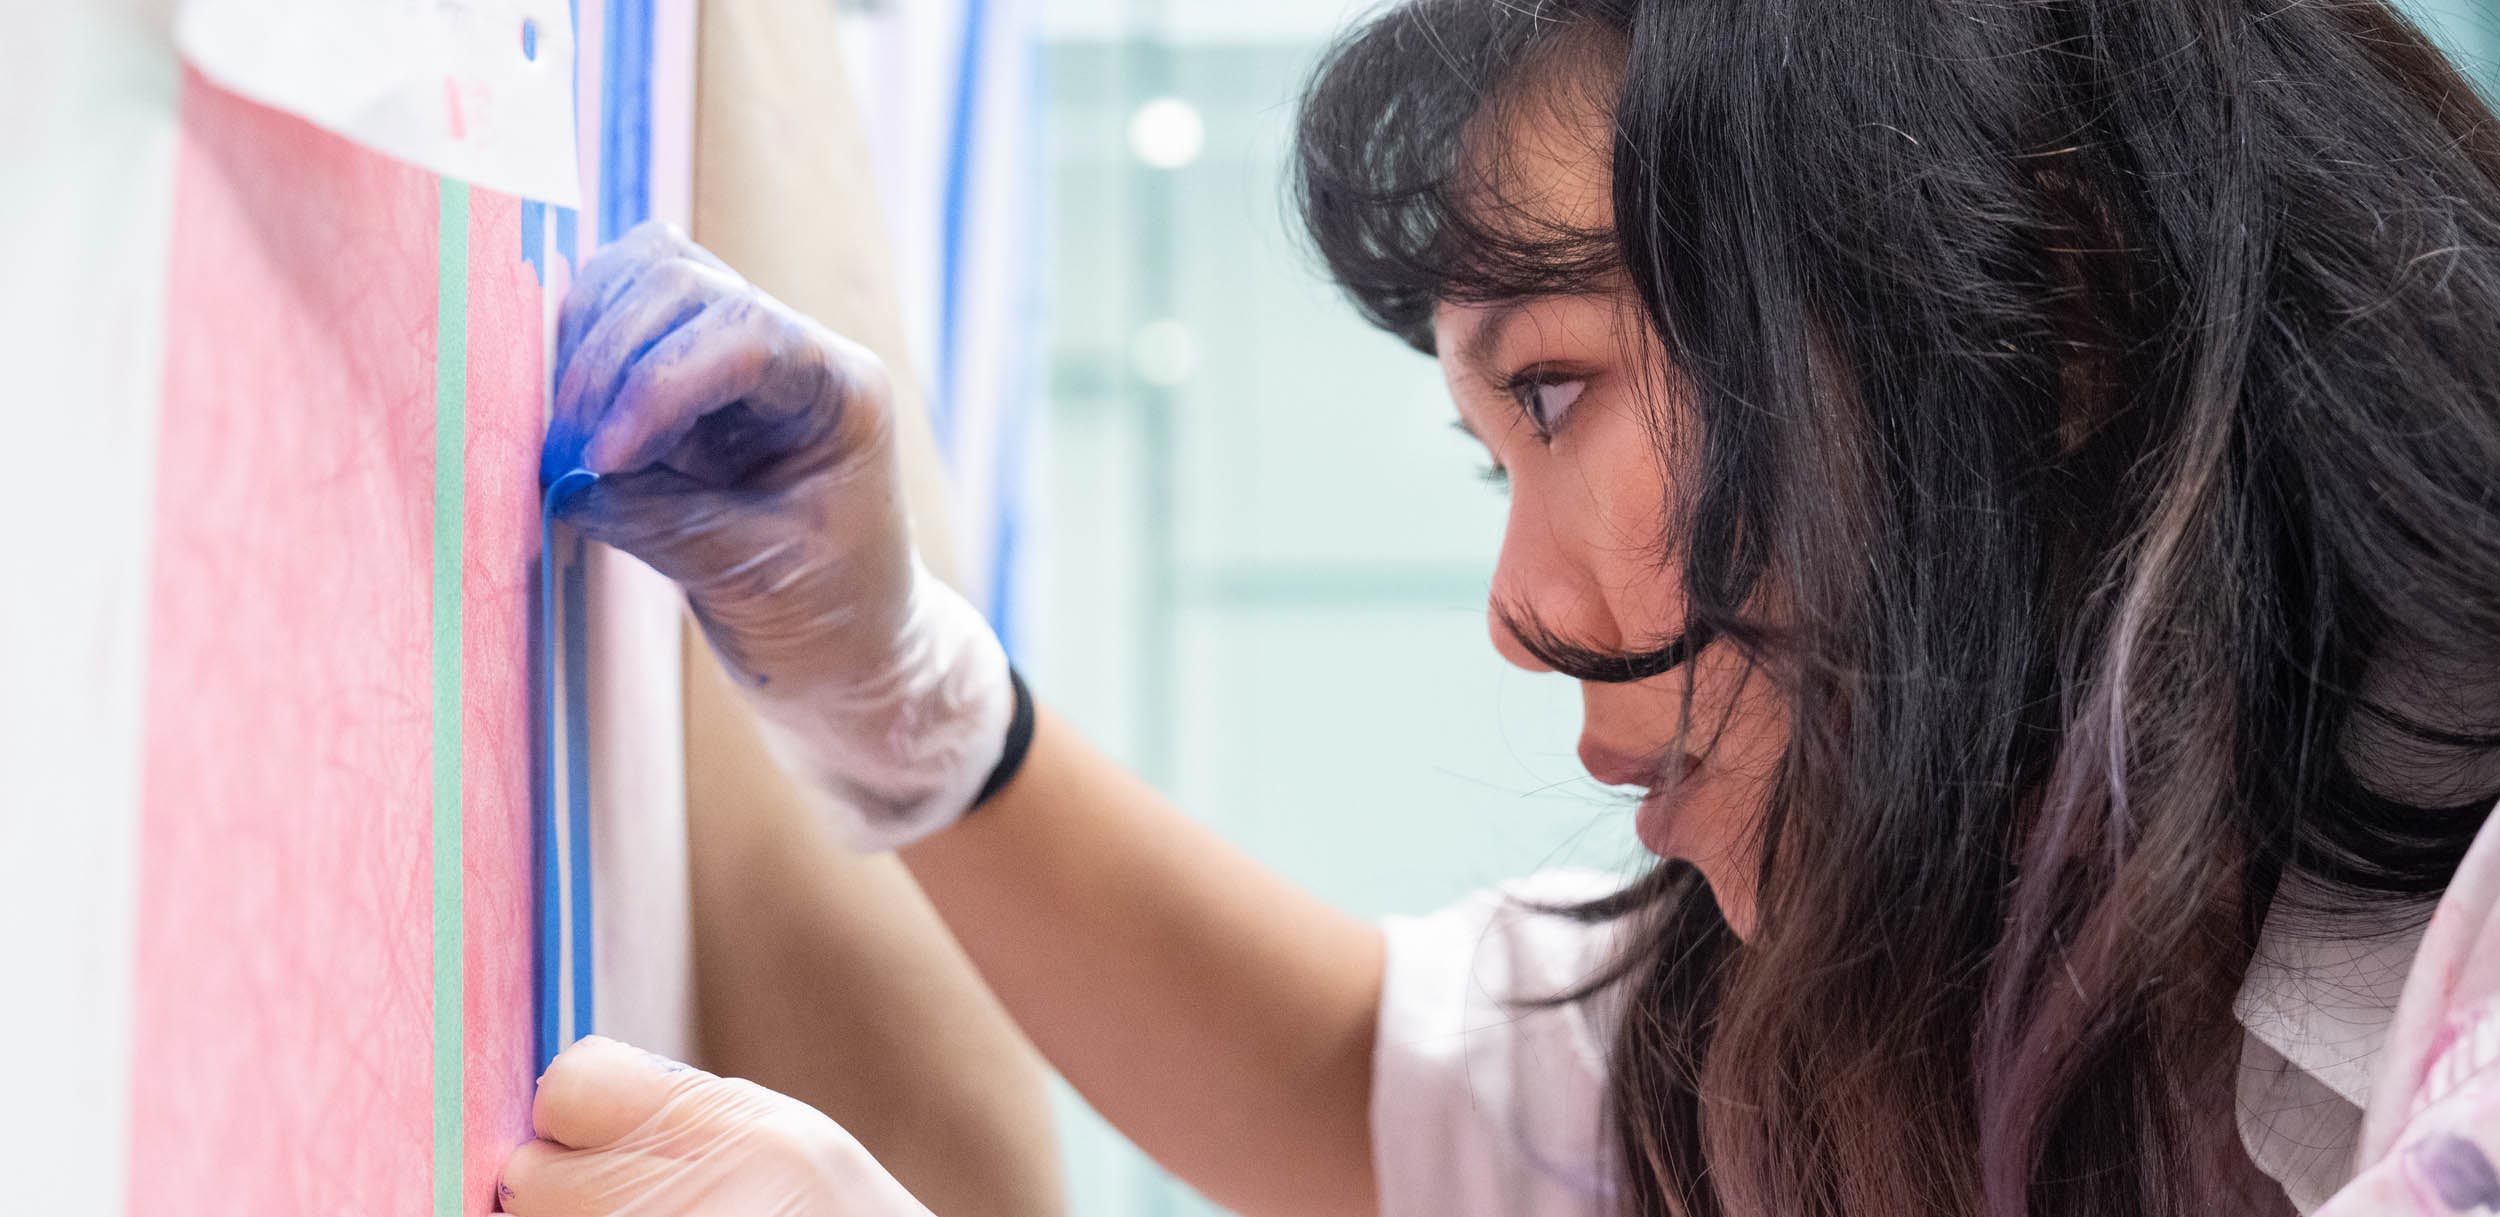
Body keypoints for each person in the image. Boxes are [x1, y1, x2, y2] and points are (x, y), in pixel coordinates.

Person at [494, 0, 2500, 1214]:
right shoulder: (1978, 941)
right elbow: (1367, 1095)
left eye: (1558, 392)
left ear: (2036, 306)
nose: (1521, 611)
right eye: (1493, 451)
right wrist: (890, 679)